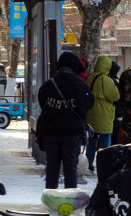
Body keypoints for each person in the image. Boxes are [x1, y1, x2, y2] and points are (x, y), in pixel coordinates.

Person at [36, 51, 94, 189]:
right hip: (72, 133)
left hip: (50, 132)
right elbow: (90, 104)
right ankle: (70, 200)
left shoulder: (48, 85)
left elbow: (42, 103)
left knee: (52, 167)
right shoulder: (81, 86)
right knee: (70, 167)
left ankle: (51, 198)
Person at [85, 55, 120, 175]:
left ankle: (89, 166)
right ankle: (104, 167)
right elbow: (115, 96)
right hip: (104, 116)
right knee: (105, 146)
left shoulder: (90, 77)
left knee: (91, 143)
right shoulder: (107, 80)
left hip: (91, 116)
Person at [109, 60, 124, 145]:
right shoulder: (114, 81)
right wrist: (120, 113)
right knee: (115, 136)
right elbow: (117, 99)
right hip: (113, 114)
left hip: (104, 114)